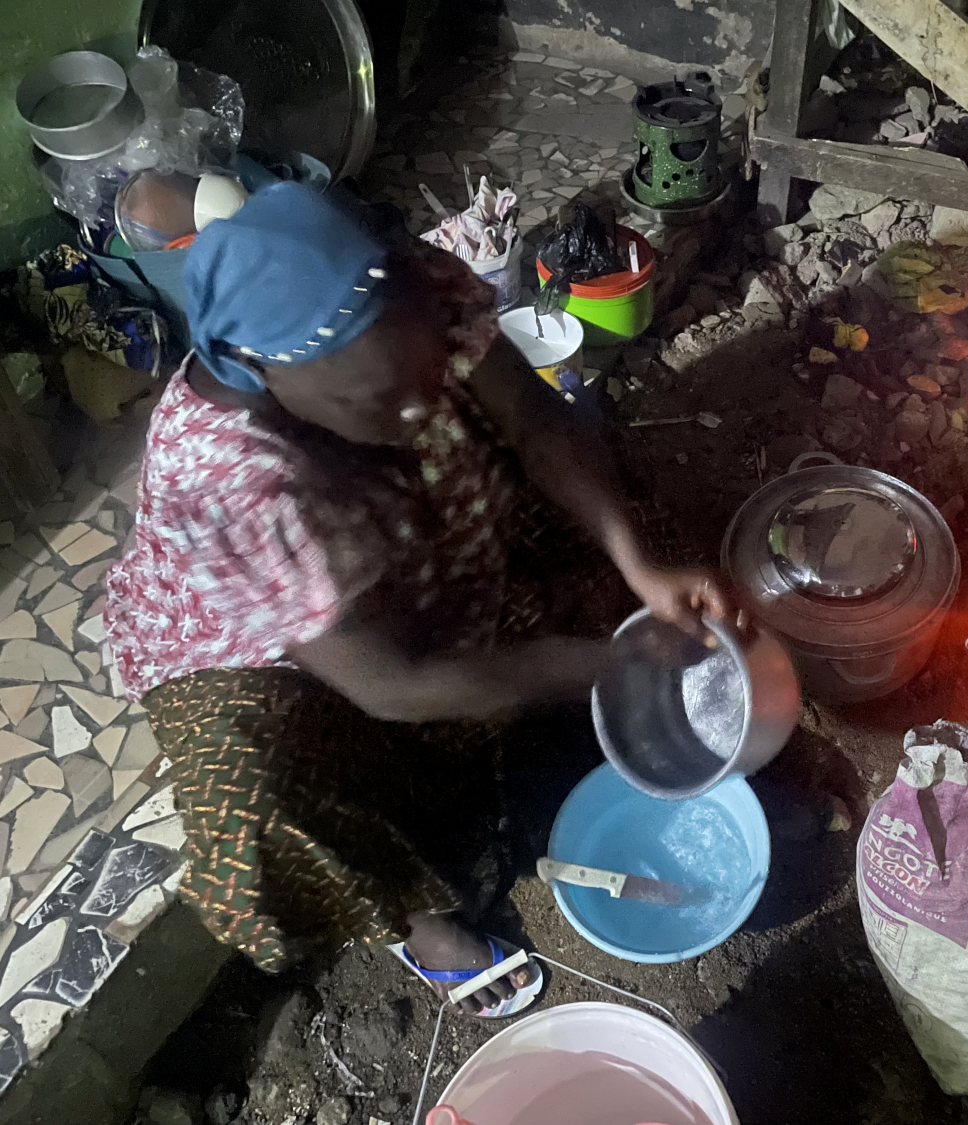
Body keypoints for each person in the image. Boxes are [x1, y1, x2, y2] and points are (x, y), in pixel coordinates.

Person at [104, 182, 731, 1015]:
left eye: (425, 376)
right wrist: (610, 666)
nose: (417, 406)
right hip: (290, 653)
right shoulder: (224, 485)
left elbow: (537, 421)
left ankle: (532, 698)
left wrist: (639, 565)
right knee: (257, 796)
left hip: (418, 537)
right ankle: (413, 914)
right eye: (378, 399)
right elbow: (389, 685)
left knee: (615, 526)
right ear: (264, 368)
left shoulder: (410, 288)